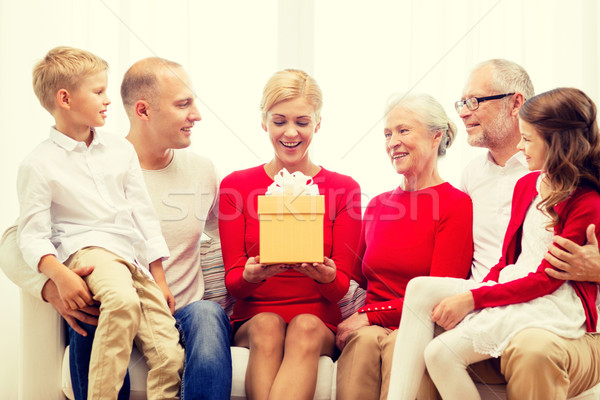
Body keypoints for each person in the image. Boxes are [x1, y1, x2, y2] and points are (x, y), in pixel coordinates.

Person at [2, 56, 233, 399]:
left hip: (178, 305)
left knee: (208, 315)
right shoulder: (57, 164)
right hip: (105, 296)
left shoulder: (201, 171)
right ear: (143, 111)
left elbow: (228, 238)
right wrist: (52, 283)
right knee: (96, 309)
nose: (197, 115)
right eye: (184, 104)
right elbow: (15, 240)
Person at [388, 87, 600, 400]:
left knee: (442, 354)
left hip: (550, 301)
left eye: (527, 139)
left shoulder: (586, 201)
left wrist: (476, 300)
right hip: (514, 282)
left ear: (556, 143)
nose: (520, 145)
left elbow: (546, 280)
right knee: (421, 290)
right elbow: (505, 259)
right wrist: (481, 293)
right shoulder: (527, 184)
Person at [455, 59, 600, 400]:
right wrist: (475, 297)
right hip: (501, 297)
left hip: (561, 314)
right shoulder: (474, 176)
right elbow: (501, 258)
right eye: (461, 102)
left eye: (474, 101)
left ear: (516, 104)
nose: (463, 112)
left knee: (531, 348)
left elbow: (549, 275)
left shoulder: (582, 190)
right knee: (424, 330)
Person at [218, 68, 361, 400]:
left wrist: (326, 277)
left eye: (302, 121)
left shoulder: (345, 189)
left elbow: (339, 290)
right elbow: (233, 283)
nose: (291, 133)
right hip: (253, 317)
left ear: (318, 123)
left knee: (306, 325)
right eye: (279, 121)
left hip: (318, 317)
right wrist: (252, 275)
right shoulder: (235, 186)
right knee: (268, 323)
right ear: (264, 122)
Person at [334, 93, 473, 400]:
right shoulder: (379, 206)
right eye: (387, 134)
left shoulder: (456, 205)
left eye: (403, 130)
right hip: (371, 327)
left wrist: (371, 315)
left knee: (400, 344)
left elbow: (438, 296)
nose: (392, 142)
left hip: (420, 324)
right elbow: (357, 279)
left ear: (436, 136)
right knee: (365, 342)